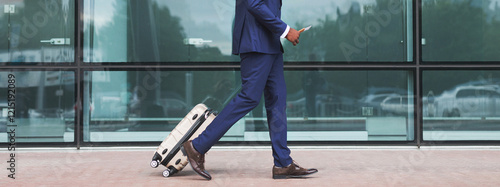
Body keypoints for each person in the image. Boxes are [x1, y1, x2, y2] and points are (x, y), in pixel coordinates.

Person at [181, 0, 318, 180]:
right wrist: (285, 30)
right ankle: (197, 146)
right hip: (256, 42)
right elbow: (254, 4)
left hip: (270, 44)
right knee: (249, 97)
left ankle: (283, 163)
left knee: (278, 100)